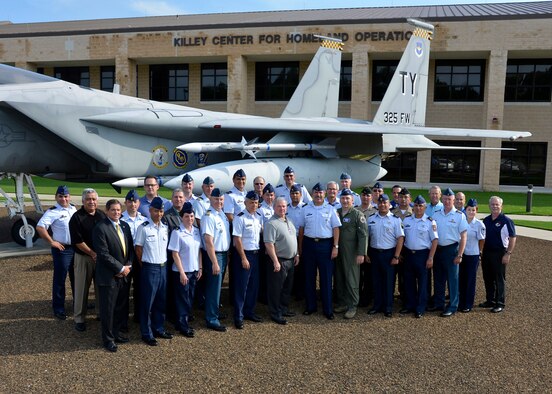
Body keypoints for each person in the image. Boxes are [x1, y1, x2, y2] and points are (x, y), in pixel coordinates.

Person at [92, 199, 134, 353]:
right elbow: (103, 253)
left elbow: (130, 248)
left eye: (118, 210)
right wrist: (120, 268)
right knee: (108, 309)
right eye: (113, 210)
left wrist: (127, 266)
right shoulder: (101, 228)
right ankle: (108, 339)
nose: (116, 213)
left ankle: (117, 333)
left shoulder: (124, 225)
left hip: (124, 275)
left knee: (120, 308)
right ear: (107, 211)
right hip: (109, 276)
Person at [298, 182, 341, 320]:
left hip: (325, 246)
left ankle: (327, 309)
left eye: (321, 192)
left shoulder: (330, 209)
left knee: (326, 278)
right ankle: (310, 306)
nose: (318, 195)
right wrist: (300, 248)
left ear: (324, 194)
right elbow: (301, 230)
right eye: (316, 192)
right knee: (309, 277)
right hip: (309, 244)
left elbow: (336, 229)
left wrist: (335, 246)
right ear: (312, 194)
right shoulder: (305, 208)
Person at [135, 197, 172, 346]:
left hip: (163, 267)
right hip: (150, 268)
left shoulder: (165, 227)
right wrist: (145, 266)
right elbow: (138, 249)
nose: (159, 213)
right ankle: (146, 332)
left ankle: (159, 328)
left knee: (161, 301)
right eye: (156, 210)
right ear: (150, 210)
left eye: (161, 211)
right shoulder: (143, 228)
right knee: (147, 303)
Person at [36, 185, 77, 320]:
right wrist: (52, 241)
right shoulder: (52, 212)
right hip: (62, 249)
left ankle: (78, 303)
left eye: (66, 196)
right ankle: (58, 307)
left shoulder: (73, 209)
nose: (64, 199)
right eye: (61, 196)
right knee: (60, 279)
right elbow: (40, 227)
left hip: (75, 248)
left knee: (76, 277)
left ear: (69, 196)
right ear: (56, 197)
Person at [69, 188, 105, 332]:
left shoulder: (102, 216)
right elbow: (78, 241)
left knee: (100, 287)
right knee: (81, 288)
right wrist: (92, 253)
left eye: (94, 199)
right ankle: (79, 318)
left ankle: (100, 313)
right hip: (83, 257)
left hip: (100, 258)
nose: (91, 202)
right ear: (83, 201)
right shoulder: (77, 217)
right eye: (88, 199)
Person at [430, 187, 468, 317]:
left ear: (453, 200)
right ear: (442, 199)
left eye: (449, 199)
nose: (447, 202)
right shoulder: (436, 214)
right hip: (438, 250)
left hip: (452, 250)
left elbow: (463, 236)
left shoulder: (459, 215)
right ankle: (439, 303)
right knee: (438, 278)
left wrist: (460, 254)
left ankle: (452, 306)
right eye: (445, 199)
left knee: (453, 279)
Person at [367, 194, 404, 318]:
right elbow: (367, 237)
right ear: (377, 204)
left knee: (389, 282)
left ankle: (388, 307)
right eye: (380, 203)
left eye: (385, 203)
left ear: (389, 205)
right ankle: (377, 305)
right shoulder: (371, 219)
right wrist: (366, 253)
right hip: (374, 253)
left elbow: (400, 238)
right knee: (376, 281)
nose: (382, 205)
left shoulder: (395, 219)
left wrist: (396, 256)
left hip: (389, 254)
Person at [168, 202, 202, 338]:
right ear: (182, 217)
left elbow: (199, 250)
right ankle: (183, 326)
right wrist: (182, 272)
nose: (190, 219)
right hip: (182, 272)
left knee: (190, 297)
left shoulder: (196, 231)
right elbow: (174, 253)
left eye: (192, 216)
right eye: (187, 216)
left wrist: (200, 267)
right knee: (182, 299)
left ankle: (182, 321)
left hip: (193, 270)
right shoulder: (177, 232)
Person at [401, 195, 438, 318]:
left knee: (423, 283)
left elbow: (435, 241)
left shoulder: (430, 222)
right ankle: (410, 305)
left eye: (420, 206)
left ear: (425, 207)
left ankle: (421, 307)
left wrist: (431, 258)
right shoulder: (406, 220)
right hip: (408, 254)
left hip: (423, 255)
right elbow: (402, 238)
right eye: (416, 205)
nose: (418, 208)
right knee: (409, 281)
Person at [264, 197, 299, 325]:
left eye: (284, 206)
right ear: (274, 207)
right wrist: (275, 261)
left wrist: (297, 254)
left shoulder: (288, 220)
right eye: (279, 206)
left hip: (291, 260)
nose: (282, 208)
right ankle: (275, 313)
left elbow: (293, 238)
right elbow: (269, 244)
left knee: (286, 288)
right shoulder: (271, 223)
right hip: (279, 261)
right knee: (276, 288)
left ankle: (283, 308)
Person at [334, 189, 368, 319]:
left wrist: (361, 253)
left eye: (348, 199)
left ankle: (352, 305)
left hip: (352, 252)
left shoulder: (357, 215)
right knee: (340, 277)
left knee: (351, 278)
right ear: (340, 200)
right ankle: (343, 302)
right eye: (343, 198)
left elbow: (363, 235)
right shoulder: (337, 213)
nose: (345, 201)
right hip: (339, 251)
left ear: (352, 200)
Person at [201, 188, 231, 331]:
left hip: (223, 254)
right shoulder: (209, 216)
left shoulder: (222, 214)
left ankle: (215, 312)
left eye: (221, 199)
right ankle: (211, 319)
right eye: (216, 199)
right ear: (211, 199)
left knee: (217, 287)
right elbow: (208, 241)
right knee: (213, 287)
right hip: (215, 255)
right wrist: (214, 261)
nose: (219, 202)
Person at [232, 191, 263, 329]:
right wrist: (243, 257)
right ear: (245, 202)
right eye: (251, 202)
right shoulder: (240, 217)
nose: (254, 205)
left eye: (256, 203)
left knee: (253, 286)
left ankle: (249, 311)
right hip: (244, 255)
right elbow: (237, 239)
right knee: (242, 287)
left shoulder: (258, 217)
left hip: (256, 255)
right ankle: (238, 316)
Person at [480, 196, 517, 313]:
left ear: (501, 206)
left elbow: (513, 237)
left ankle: (499, 302)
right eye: (492, 204)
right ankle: (490, 300)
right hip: (486, 252)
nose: (495, 206)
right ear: (489, 205)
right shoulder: (485, 220)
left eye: (497, 204)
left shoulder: (506, 221)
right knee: (487, 277)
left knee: (499, 278)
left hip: (499, 252)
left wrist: (508, 253)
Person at [120, 189, 147, 324]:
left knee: (140, 288)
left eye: (135, 201)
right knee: (124, 289)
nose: (132, 204)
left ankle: (138, 315)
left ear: (139, 203)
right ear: (125, 203)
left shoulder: (144, 220)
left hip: (140, 257)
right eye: (130, 202)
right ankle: (123, 318)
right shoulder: (120, 220)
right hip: (126, 257)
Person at [162, 188, 186, 324]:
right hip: (172, 256)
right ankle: (171, 314)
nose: (178, 199)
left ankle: (183, 313)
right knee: (172, 286)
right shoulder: (167, 216)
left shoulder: (189, 214)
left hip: (186, 257)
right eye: (176, 197)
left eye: (181, 197)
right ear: (172, 199)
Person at [459, 198, 485, 313]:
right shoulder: (462, 222)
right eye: (469, 210)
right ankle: (461, 301)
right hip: (462, 254)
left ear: (476, 211)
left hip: (473, 255)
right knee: (461, 279)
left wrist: (479, 252)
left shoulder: (479, 224)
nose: (471, 212)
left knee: (470, 280)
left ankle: (468, 303)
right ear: (465, 210)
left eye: (473, 210)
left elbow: (482, 240)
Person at [392, 188, 413, 306]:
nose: (403, 200)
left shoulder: (414, 212)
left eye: (406, 197)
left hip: (408, 248)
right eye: (401, 197)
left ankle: (405, 297)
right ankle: (390, 296)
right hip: (394, 247)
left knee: (406, 275)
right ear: (397, 199)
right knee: (392, 273)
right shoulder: (392, 212)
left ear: (410, 199)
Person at [358, 187, 375, 308]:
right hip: (357, 247)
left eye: (368, 195)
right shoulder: (355, 210)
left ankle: (367, 298)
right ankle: (356, 296)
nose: (365, 197)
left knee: (369, 275)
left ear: (371, 197)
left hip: (370, 247)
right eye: (363, 195)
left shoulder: (375, 211)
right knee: (357, 275)